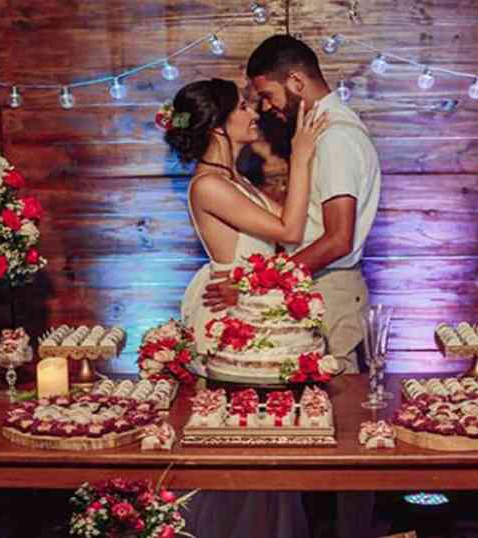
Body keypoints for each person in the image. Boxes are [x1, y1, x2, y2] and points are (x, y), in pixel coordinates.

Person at [205, 34, 384, 538]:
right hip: (314, 289)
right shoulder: (323, 135)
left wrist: (264, 284)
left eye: (267, 94)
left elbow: (337, 238)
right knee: (308, 425)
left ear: (297, 81)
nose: (265, 107)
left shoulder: (337, 138)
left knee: (343, 430)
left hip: (331, 290)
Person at [162, 78, 327, 538]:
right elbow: (290, 232)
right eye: (242, 106)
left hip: (255, 310)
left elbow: (275, 242)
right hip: (232, 320)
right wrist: (304, 154)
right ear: (217, 123)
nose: (253, 113)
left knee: (267, 443)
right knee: (236, 451)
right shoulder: (209, 186)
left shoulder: (236, 180)